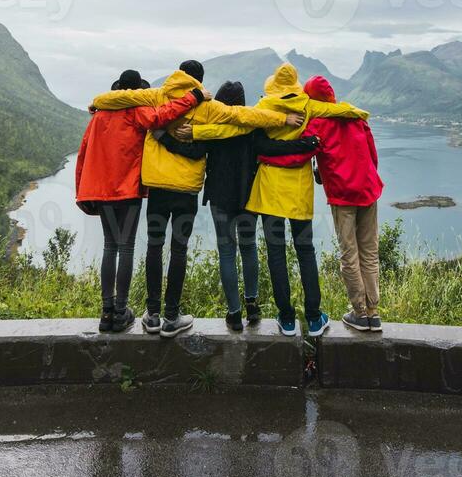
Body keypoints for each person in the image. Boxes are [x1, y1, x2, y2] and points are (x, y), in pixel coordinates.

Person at [89, 60, 304, 337]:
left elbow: (121, 97)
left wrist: (98, 102)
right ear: (199, 82)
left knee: (155, 247)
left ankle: (152, 315)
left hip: (157, 189)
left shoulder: (156, 95)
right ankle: (171, 316)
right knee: (179, 250)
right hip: (186, 192)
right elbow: (245, 117)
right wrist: (283, 119)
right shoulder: (205, 106)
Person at [185, 62, 370, 337]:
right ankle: (314, 316)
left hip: (269, 191)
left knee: (276, 253)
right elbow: (337, 109)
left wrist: (197, 132)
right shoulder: (308, 106)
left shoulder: (263, 108)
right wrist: (360, 113)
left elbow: (232, 129)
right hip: (299, 191)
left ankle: (285, 318)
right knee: (306, 251)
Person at [159, 80, 320, 331]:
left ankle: (234, 314)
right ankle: (252, 305)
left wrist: (163, 136)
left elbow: (194, 152)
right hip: (247, 198)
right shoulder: (254, 126)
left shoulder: (213, 128)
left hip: (221, 199)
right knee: (249, 248)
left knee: (226, 252)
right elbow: (270, 145)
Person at [75, 68, 209, 333]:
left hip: (100, 191)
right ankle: (122, 310)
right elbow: (163, 115)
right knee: (125, 249)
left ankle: (107, 313)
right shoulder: (136, 112)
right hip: (127, 190)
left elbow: (83, 152)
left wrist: (82, 191)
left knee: (109, 247)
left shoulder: (99, 115)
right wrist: (193, 97)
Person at [266, 75, 384, 332]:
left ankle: (359, 312)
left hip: (343, 196)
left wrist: (264, 153)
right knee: (370, 252)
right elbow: (372, 155)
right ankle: (373, 313)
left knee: (349, 253)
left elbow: (298, 155)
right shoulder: (353, 116)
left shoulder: (319, 123)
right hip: (368, 190)